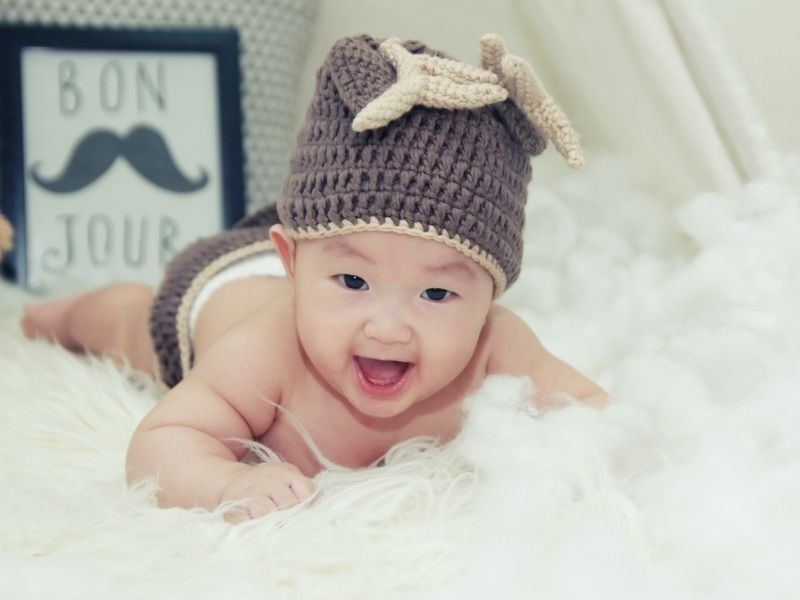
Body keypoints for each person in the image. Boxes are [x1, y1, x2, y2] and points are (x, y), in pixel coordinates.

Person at [21, 34, 607, 522]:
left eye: (436, 293)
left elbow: (590, 412)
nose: (388, 327)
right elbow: (160, 442)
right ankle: (67, 312)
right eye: (354, 283)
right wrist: (224, 485)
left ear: (489, 298)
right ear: (294, 264)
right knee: (126, 326)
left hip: (309, 253)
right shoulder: (267, 353)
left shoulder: (493, 347)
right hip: (217, 292)